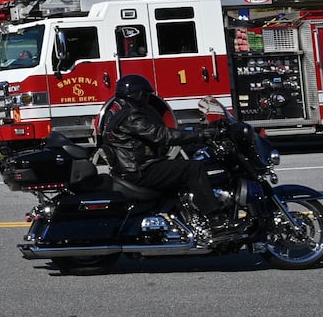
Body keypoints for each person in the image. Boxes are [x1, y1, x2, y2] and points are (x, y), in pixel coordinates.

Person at [97, 75, 234, 238]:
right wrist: (202, 134)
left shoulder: (121, 113)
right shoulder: (130, 115)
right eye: (146, 95)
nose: (148, 99)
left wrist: (192, 136)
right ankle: (215, 219)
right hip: (140, 171)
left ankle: (188, 218)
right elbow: (161, 135)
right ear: (138, 95)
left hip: (135, 167)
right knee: (193, 168)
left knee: (181, 167)